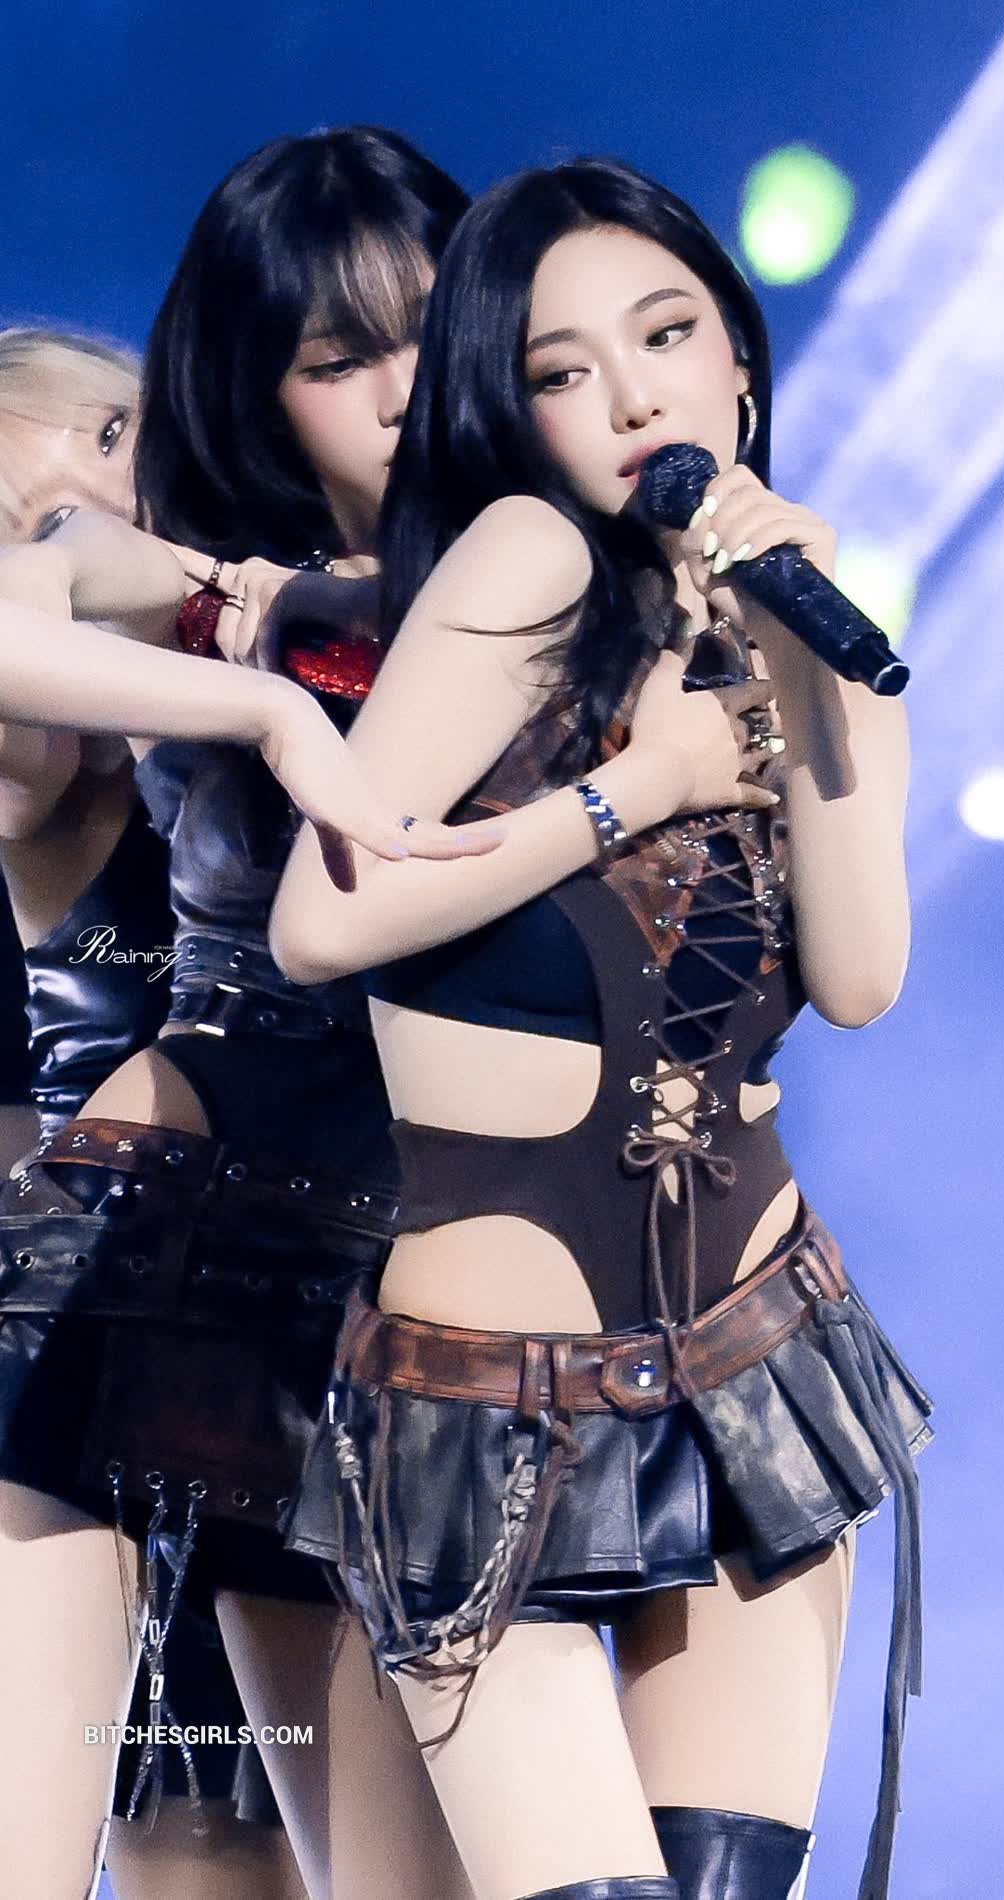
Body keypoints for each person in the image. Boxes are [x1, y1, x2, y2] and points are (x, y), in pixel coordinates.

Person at [271, 159, 932, 1900]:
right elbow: (321, 916)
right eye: (562, 369)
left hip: (755, 1374)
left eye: (665, 335)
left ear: (739, 365)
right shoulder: (529, 562)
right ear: (513, 412)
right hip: (488, 1414)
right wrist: (635, 790)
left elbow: (860, 978)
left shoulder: (806, 618)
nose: (633, 396)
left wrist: (808, 676)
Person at [0, 130, 489, 1900]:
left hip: (388, 1322)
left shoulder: (439, 602)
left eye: (107, 432)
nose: (86, 488)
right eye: (28, 488)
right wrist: (267, 696)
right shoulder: (151, 669)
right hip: (145, 1307)